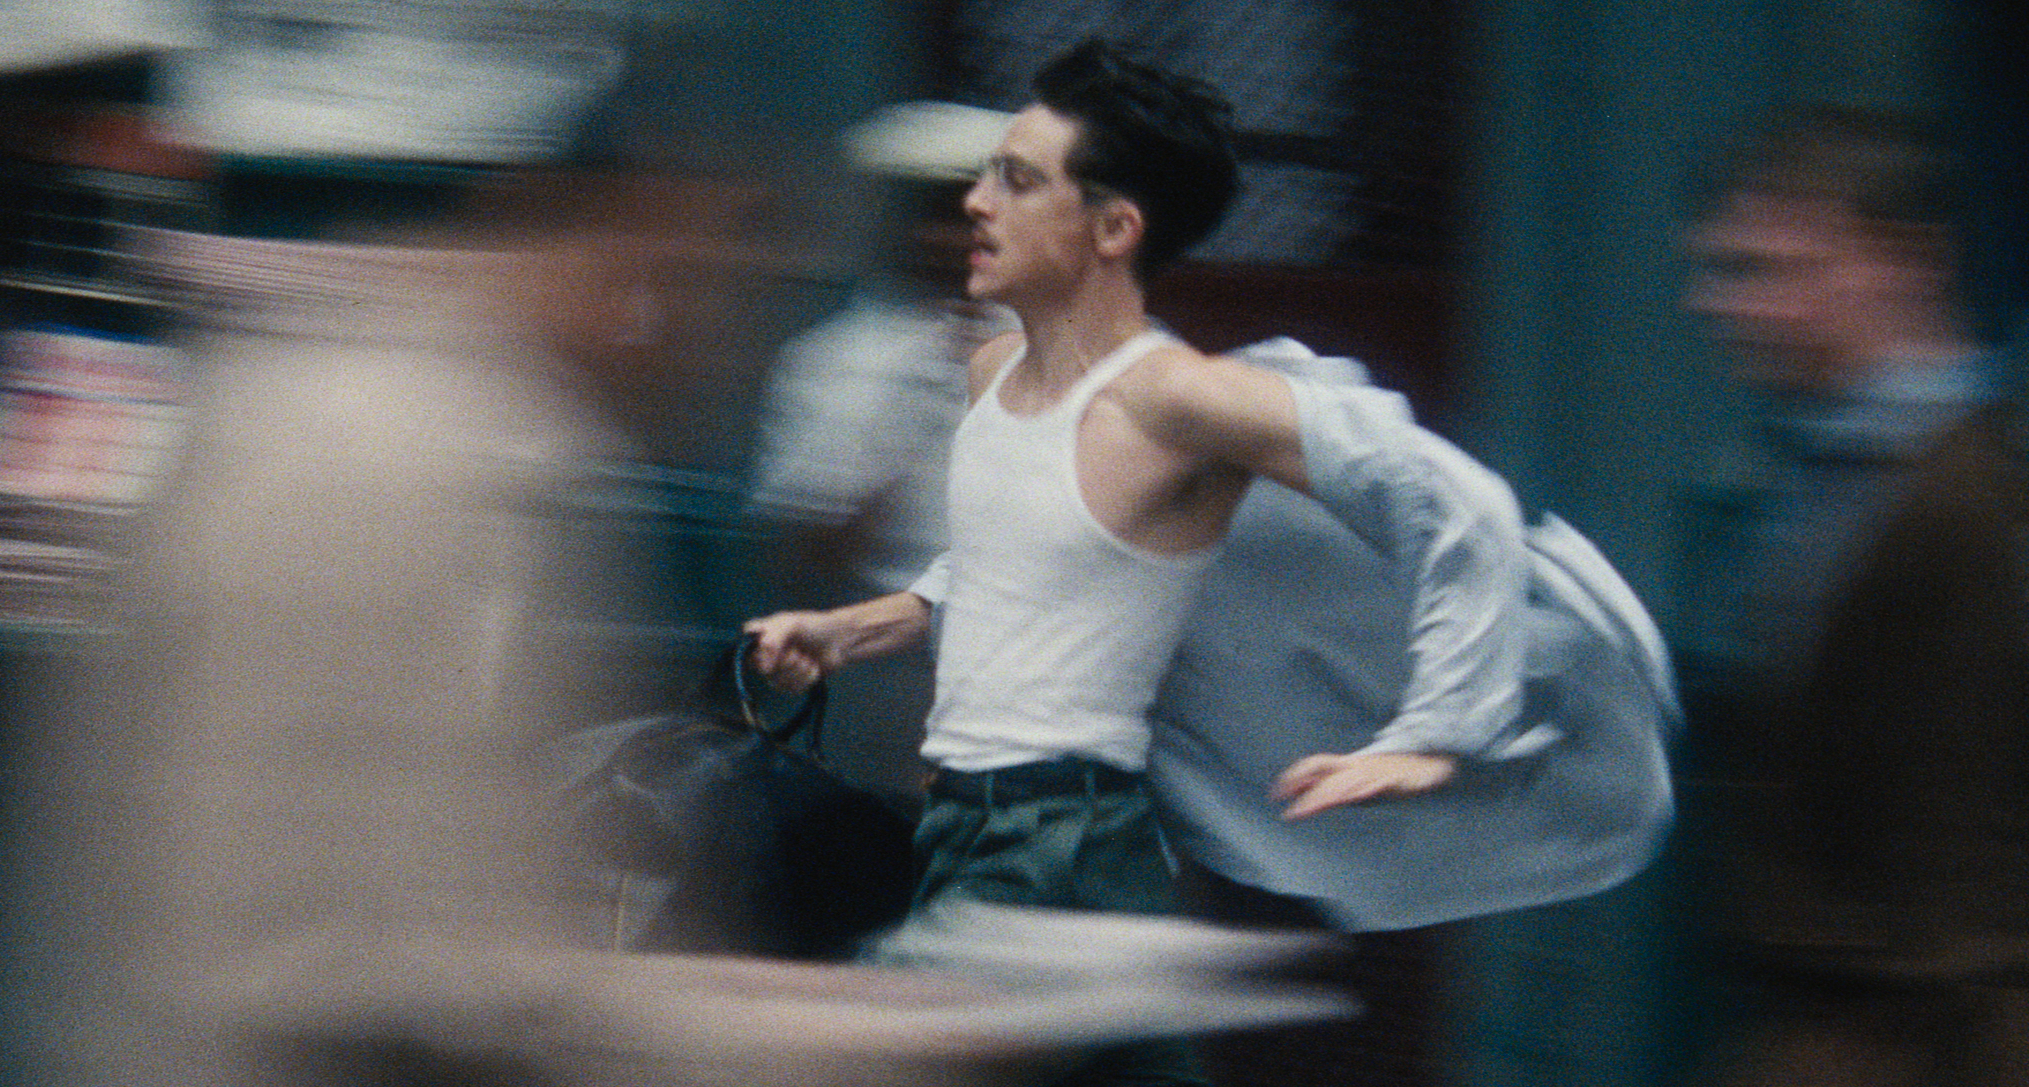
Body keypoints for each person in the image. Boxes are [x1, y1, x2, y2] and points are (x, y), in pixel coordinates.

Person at [745, 38, 1531, 1086]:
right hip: (977, 821)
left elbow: (1455, 503)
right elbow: (1011, 569)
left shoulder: (1175, 399)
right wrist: (858, 625)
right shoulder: (991, 375)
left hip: (1054, 843)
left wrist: (1438, 728)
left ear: (1114, 227)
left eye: (1015, 180)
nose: (974, 203)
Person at [1676, 102, 2029, 1087]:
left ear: (1903, 266)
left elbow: (1962, 884)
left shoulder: (1973, 500)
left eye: (1766, 271)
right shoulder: (1820, 477)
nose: (1719, 303)